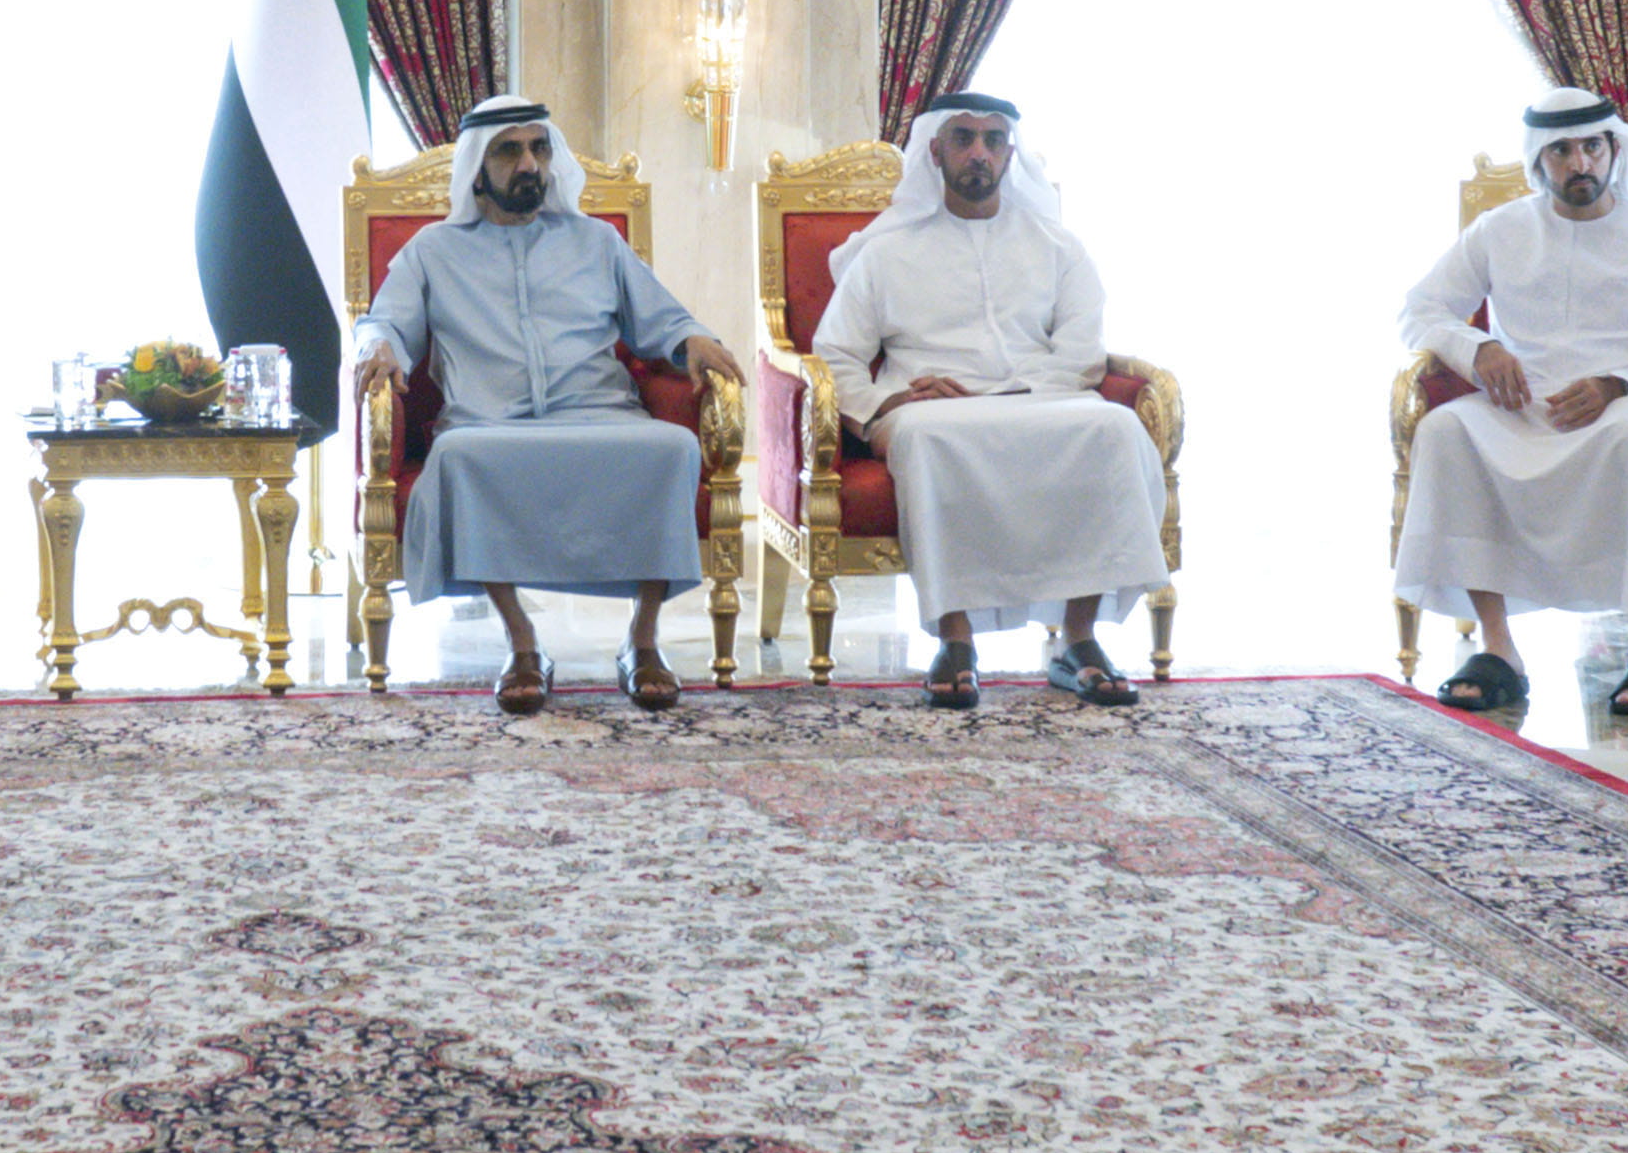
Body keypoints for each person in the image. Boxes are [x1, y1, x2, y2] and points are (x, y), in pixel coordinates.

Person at [358, 95, 728, 714]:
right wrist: (379, 346)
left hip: (598, 412)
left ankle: (642, 639)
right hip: (487, 422)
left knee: (674, 446)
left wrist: (693, 338)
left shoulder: (598, 241)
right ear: (478, 169)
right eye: (510, 151)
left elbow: (660, 317)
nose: (529, 164)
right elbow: (385, 322)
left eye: (539, 148)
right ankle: (522, 642)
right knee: (459, 457)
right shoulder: (432, 251)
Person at [810, 89, 1167, 711]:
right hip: (925, 409)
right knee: (930, 440)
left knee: (1115, 429)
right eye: (964, 139)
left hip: (1039, 395)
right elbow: (835, 352)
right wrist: (885, 405)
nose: (979, 152)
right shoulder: (887, 252)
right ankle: (955, 640)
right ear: (936, 151)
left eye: (993, 141)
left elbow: (1083, 352)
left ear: (1009, 154)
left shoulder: (1057, 246)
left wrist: (1007, 387)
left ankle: (1079, 639)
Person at [1392, 86, 1628, 725]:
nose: (1580, 164)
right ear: (1539, 160)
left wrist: (1617, 385)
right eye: (1562, 151)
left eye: (1592, 147)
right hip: (1526, 404)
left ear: (1614, 150)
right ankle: (1498, 649)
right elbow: (1419, 310)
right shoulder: (1501, 230)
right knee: (1446, 430)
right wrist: (1479, 348)